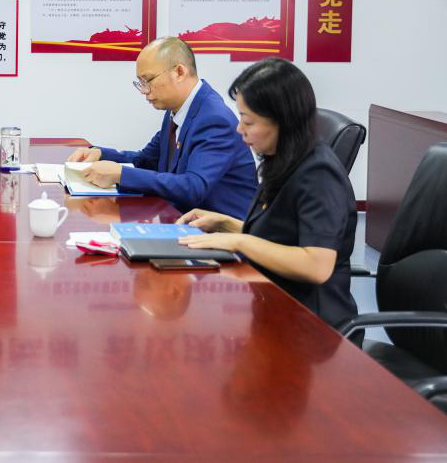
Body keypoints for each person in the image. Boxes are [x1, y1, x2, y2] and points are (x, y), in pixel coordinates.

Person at [176, 57, 358, 330]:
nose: (239, 129)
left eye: (248, 121)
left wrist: (240, 242)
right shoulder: (283, 159)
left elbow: (316, 265)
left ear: (282, 121)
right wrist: (226, 224)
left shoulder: (319, 174)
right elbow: (281, 235)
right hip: (273, 304)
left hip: (312, 328)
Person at [67, 37, 257, 218]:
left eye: (148, 80)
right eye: (141, 83)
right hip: (181, 219)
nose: (144, 91)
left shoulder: (214, 119)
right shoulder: (177, 110)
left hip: (220, 231)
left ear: (179, 72)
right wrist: (101, 154)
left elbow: (193, 187)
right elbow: (147, 160)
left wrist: (121, 174)